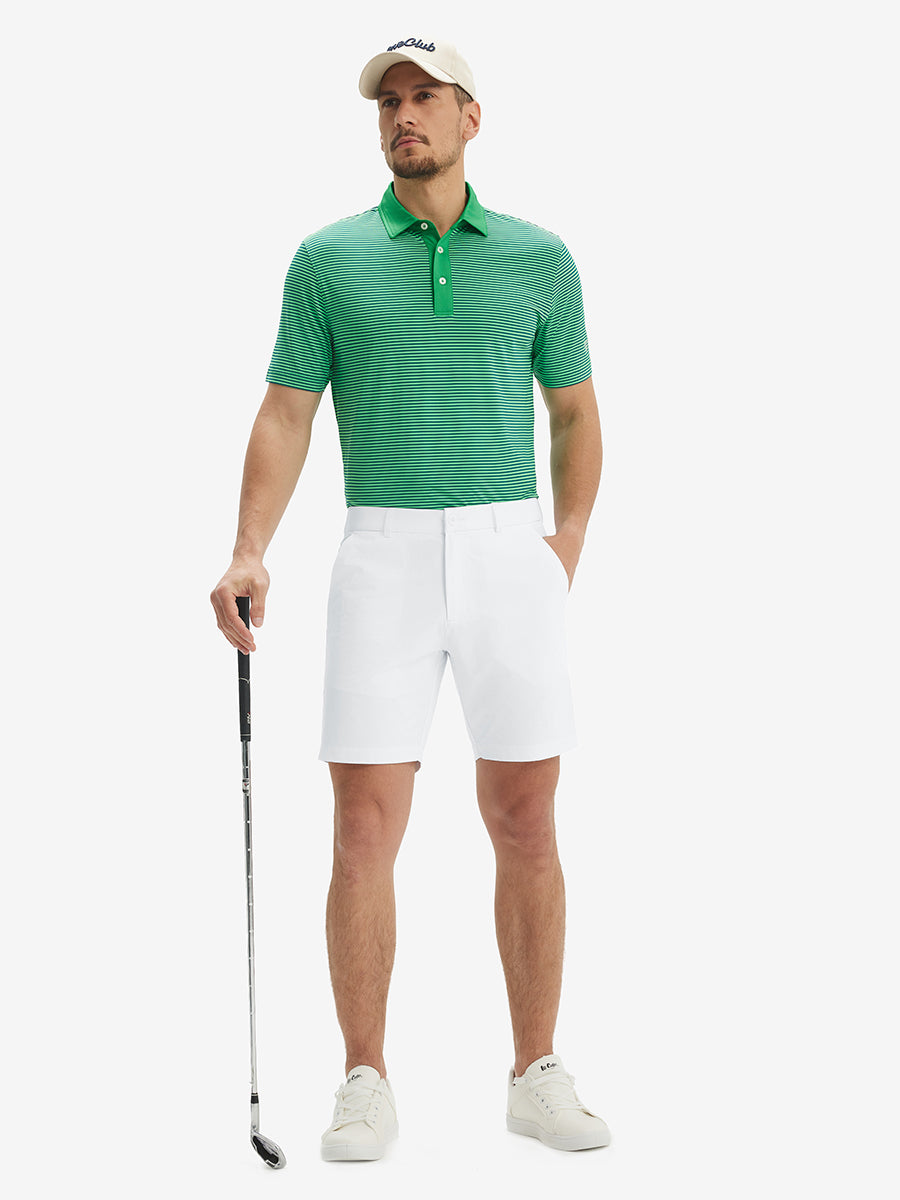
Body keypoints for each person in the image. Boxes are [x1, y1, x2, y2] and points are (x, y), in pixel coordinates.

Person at [210, 37, 610, 1161]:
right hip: (379, 552)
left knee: (526, 818)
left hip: (507, 550)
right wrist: (248, 549)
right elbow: (287, 412)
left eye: (425, 96)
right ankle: (364, 1078)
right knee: (362, 830)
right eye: (389, 101)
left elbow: (575, 409)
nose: (403, 116)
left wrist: (565, 542)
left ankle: (535, 1072)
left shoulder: (539, 258)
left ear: (471, 118)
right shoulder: (327, 260)